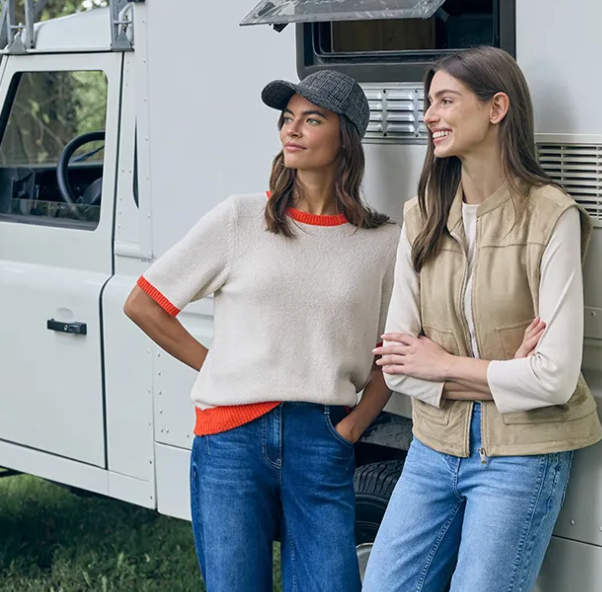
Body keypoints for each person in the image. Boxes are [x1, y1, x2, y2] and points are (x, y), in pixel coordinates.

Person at [121, 70, 398, 592]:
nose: (291, 130)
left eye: (311, 120)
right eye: (287, 119)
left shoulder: (382, 241)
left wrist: (356, 425)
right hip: (230, 438)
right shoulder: (241, 219)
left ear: (347, 139)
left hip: (324, 434)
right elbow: (144, 304)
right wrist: (219, 367)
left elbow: (394, 348)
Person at [362, 46, 602, 592]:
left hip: (521, 454)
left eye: (446, 101)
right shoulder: (421, 215)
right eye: (429, 103)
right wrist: (501, 376)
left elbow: (555, 378)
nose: (429, 116)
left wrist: (443, 363)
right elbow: (399, 368)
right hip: (432, 447)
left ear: (497, 108)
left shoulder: (550, 215)